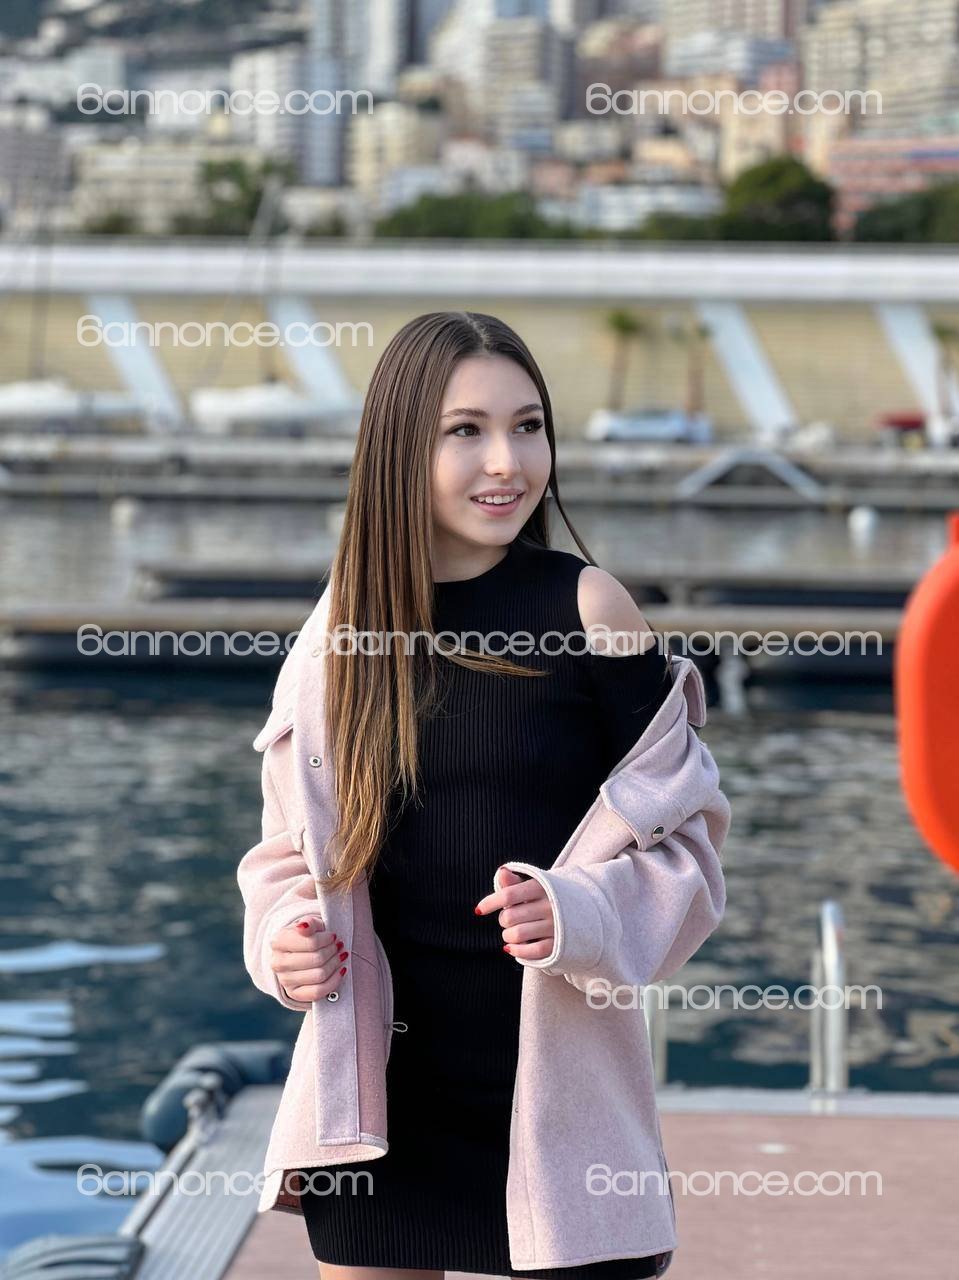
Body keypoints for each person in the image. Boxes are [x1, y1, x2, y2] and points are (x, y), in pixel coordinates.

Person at [265, 311, 678, 1279]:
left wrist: (575, 909)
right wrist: (283, 938)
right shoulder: (335, 637)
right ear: (399, 447)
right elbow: (288, 851)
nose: (506, 461)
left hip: (557, 1094)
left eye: (527, 426)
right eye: (465, 430)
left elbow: (685, 843)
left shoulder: (591, 609)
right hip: (377, 1101)